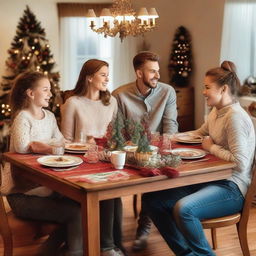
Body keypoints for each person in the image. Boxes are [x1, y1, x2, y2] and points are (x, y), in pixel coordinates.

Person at [143, 61, 255, 255]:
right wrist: (168, 137)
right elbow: (199, 133)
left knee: (184, 210)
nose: (203, 92)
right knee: (153, 200)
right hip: (211, 180)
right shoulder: (216, 111)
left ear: (224, 89)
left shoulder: (234, 117)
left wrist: (211, 147)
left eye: (207, 87)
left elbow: (240, 161)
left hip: (233, 187)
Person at [6, 71, 83, 256]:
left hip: (49, 189)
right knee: (76, 214)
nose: (51, 94)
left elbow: (62, 142)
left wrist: (44, 146)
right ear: (31, 93)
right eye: (46, 90)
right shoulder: (23, 118)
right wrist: (50, 146)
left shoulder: (48, 117)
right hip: (23, 196)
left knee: (84, 208)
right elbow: (23, 147)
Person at [112, 51, 178, 250]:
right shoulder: (120, 95)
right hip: (130, 154)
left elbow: (170, 127)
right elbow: (118, 134)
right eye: (152, 72)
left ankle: (145, 226)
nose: (157, 75)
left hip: (159, 152)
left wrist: (161, 147)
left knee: (159, 176)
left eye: (158, 71)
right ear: (139, 73)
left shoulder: (168, 92)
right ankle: (113, 240)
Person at [61, 59, 124, 256]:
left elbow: (116, 136)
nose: (107, 78)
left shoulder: (111, 102)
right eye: (103, 74)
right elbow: (64, 142)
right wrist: (85, 144)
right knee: (109, 190)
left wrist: (111, 144)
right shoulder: (73, 103)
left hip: (105, 161)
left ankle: (112, 245)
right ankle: (107, 247)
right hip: (80, 164)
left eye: (107, 74)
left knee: (114, 190)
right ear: (89, 78)